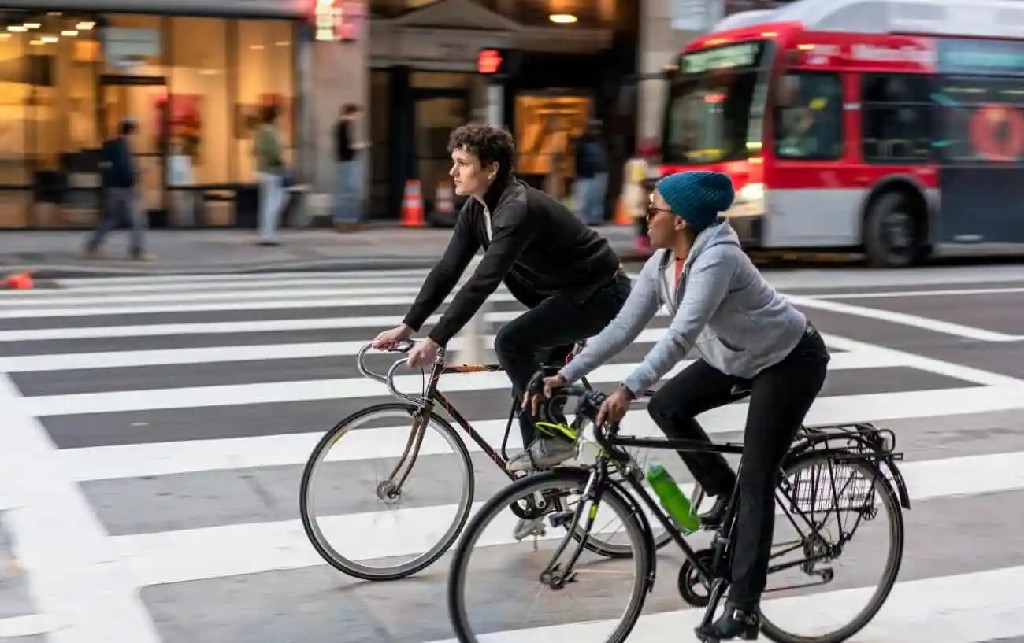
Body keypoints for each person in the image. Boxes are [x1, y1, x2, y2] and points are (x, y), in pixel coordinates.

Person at [529, 170, 830, 639]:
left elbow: (681, 335)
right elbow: (622, 328)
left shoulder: (717, 259)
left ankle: (745, 608)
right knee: (667, 406)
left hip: (787, 360)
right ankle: (723, 492)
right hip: (734, 356)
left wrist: (627, 389)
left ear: (683, 220)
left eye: (654, 209)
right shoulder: (663, 261)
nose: (644, 217)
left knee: (757, 477)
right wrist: (565, 373)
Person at [372, 124, 632, 471]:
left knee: (511, 343)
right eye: (454, 162)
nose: (452, 171)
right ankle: (547, 487)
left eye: (463, 163)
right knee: (526, 380)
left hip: (598, 293)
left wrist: (436, 339)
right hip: (562, 297)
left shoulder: (516, 210)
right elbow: (448, 269)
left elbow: (483, 281)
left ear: (491, 169)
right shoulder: (477, 210)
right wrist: (409, 325)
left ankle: (567, 428)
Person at [83, 117, 153, 262]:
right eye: (135, 133)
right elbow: (123, 169)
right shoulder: (122, 147)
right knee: (138, 220)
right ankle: (138, 251)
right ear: (131, 131)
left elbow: (114, 167)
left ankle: (92, 246)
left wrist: (135, 170)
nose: (136, 137)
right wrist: (134, 177)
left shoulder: (112, 146)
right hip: (125, 189)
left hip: (112, 188)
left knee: (111, 219)